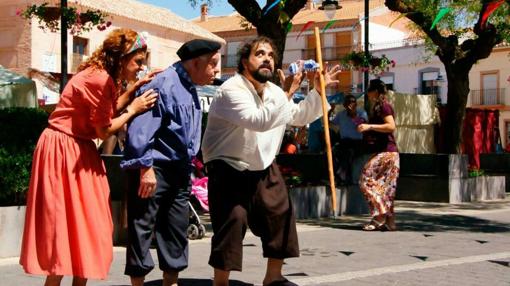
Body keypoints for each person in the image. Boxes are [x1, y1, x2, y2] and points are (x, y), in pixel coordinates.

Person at [19, 28, 159, 285]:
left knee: (86, 227)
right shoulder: (100, 79)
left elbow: (103, 113)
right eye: (138, 61)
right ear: (121, 56)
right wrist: (134, 110)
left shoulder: (101, 76)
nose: (141, 67)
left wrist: (134, 90)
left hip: (77, 148)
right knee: (64, 228)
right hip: (64, 149)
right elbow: (104, 129)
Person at [202, 36, 341, 286]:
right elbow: (259, 120)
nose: (267, 58)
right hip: (228, 166)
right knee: (233, 222)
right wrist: (287, 93)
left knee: (281, 214)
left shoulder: (275, 91)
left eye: (271, 54)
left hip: (263, 166)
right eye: (260, 53)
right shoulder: (231, 89)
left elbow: (297, 116)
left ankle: (273, 277)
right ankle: (220, 282)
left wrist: (318, 92)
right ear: (245, 62)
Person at [120, 39, 221, 286]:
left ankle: (171, 282)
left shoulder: (190, 87)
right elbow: (141, 130)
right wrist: (145, 169)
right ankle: (138, 283)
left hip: (179, 170)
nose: (216, 71)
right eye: (213, 64)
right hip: (154, 168)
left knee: (175, 227)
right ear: (196, 63)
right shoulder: (163, 83)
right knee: (142, 226)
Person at [357, 79, 399, 231]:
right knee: (386, 188)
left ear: (375, 91)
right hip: (388, 152)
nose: (367, 93)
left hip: (387, 152)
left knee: (365, 179)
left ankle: (380, 215)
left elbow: (391, 126)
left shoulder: (384, 106)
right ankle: (390, 221)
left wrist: (370, 126)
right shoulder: (378, 107)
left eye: (369, 90)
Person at [331, 95, 367, 184]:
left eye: (353, 102)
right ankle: (339, 174)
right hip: (344, 142)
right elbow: (331, 122)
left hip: (357, 142)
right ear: (344, 105)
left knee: (349, 154)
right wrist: (330, 110)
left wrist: (353, 115)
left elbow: (362, 126)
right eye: (348, 102)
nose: (351, 104)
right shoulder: (341, 114)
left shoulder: (361, 113)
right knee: (333, 152)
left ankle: (345, 175)